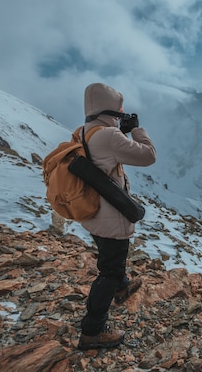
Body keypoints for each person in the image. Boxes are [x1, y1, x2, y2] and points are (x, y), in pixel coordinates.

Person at [77, 82, 156, 351]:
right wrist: (135, 130)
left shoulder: (85, 131)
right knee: (108, 271)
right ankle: (93, 331)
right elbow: (148, 156)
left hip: (95, 215)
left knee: (111, 258)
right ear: (110, 108)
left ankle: (122, 286)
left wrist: (117, 130)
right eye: (120, 109)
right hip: (111, 217)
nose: (123, 112)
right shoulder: (109, 136)